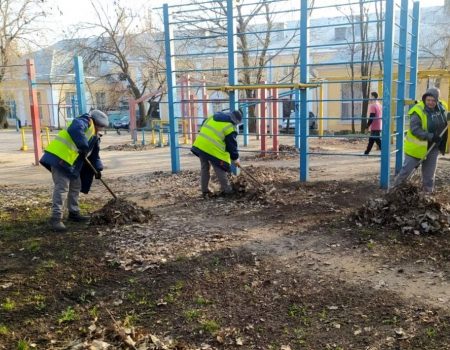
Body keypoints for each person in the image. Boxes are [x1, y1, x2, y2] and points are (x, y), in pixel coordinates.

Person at [40, 109, 109, 232]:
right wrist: (83, 145)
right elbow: (75, 129)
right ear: (96, 123)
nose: (101, 129)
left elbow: (94, 156)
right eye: (101, 126)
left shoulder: (95, 136)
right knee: (62, 188)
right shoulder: (84, 121)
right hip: (60, 159)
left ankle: (74, 213)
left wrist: (98, 169)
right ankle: (56, 219)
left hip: (71, 164)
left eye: (103, 127)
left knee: (76, 186)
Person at [393, 88, 448, 192]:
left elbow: (446, 117)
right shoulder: (417, 110)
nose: (431, 102)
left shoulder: (442, 107)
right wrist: (431, 136)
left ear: (437, 100)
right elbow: (415, 130)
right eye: (428, 100)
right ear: (424, 99)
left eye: (433, 100)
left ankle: (427, 197)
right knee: (406, 172)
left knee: (429, 176)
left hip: (433, 148)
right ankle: (393, 192)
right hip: (416, 148)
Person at [191, 110, 242, 198]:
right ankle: (228, 191)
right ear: (236, 121)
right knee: (220, 169)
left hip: (200, 145)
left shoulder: (213, 117)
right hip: (213, 150)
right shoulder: (229, 127)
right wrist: (236, 158)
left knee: (204, 168)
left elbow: (204, 126)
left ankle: (204, 191)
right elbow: (231, 145)